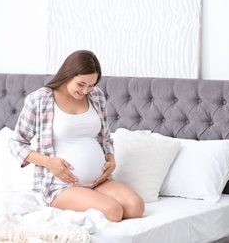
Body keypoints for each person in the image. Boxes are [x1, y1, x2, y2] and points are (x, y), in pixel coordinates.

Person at [9, 50, 145, 222]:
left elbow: (106, 138)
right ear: (68, 74)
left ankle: (90, 196)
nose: (85, 91)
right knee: (113, 211)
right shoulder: (40, 99)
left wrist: (111, 158)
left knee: (136, 207)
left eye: (91, 85)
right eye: (81, 84)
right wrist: (49, 163)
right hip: (62, 185)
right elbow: (17, 143)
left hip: (98, 181)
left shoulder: (96, 96)